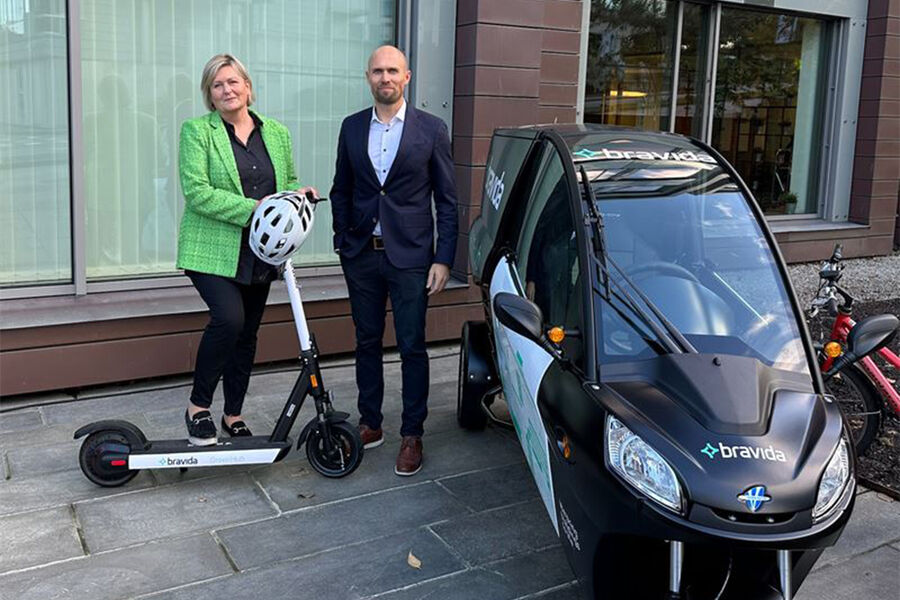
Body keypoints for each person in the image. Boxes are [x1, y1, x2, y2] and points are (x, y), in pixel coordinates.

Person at [330, 45, 458, 476]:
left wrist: (443, 259)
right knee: (366, 341)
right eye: (377, 71)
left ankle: (411, 433)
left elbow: (448, 201)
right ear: (367, 77)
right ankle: (371, 423)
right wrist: (342, 239)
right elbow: (341, 190)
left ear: (407, 77)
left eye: (393, 71)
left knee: (411, 345)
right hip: (362, 254)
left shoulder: (432, 129)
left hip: (412, 259)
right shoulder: (350, 128)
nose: (385, 78)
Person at [177, 54, 316, 445]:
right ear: (209, 94)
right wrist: (256, 209)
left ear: (248, 88)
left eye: (233, 82)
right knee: (229, 319)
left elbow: (286, 180)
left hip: (262, 250)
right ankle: (198, 406)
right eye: (217, 85)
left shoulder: (276, 133)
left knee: (247, 333)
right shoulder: (197, 132)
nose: (227, 90)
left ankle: (232, 414)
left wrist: (297, 194)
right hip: (210, 248)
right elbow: (197, 192)